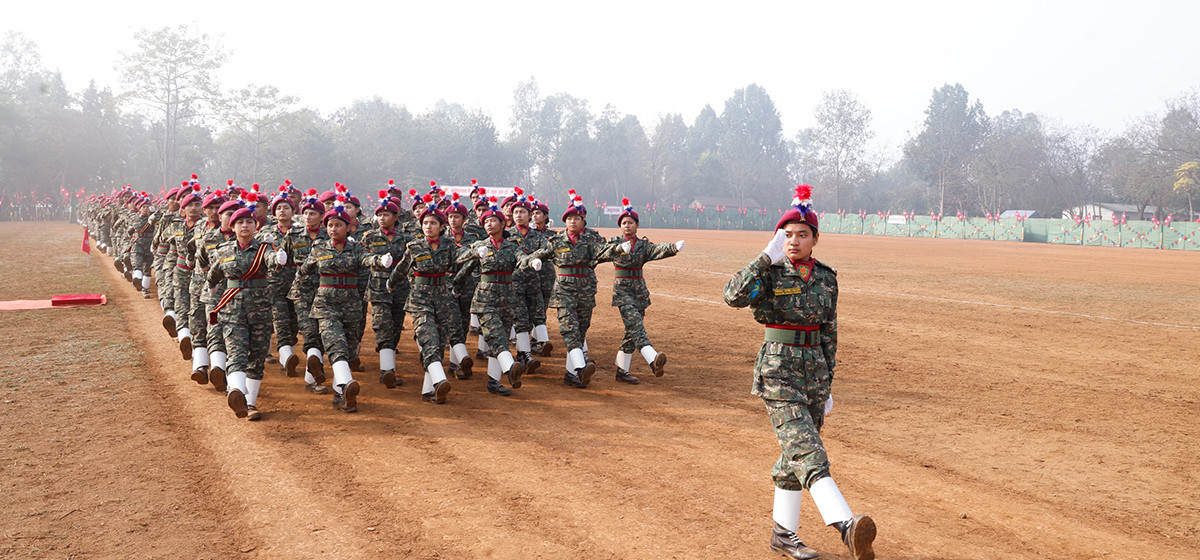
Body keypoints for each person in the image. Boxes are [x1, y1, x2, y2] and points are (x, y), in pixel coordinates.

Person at [722, 185, 875, 560]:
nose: (793, 241)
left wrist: (828, 383)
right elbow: (731, 295)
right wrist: (763, 257)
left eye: (801, 234)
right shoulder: (770, 274)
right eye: (786, 235)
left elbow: (829, 332)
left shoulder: (826, 278)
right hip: (777, 371)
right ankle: (844, 524)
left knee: (793, 457)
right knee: (808, 450)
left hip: (814, 374)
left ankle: (783, 536)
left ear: (815, 239)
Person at [291, 196, 393, 412]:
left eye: (338, 225)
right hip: (325, 305)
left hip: (351, 305)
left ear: (348, 227)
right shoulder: (319, 248)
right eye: (330, 225)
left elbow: (367, 259)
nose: (333, 229)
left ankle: (340, 394)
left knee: (348, 350)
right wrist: (297, 280)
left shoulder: (356, 249)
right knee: (336, 345)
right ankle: (346, 385)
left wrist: (380, 261)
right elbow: (305, 268)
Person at [528, 190, 623, 388]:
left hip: (586, 291)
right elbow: (538, 254)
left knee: (580, 330)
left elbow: (603, 251)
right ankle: (580, 367)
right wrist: (533, 261)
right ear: (565, 221)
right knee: (569, 329)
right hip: (564, 291)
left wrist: (618, 248)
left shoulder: (591, 240)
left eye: (576, 218)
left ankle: (571, 374)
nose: (572, 221)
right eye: (569, 218)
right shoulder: (556, 241)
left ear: (582, 221)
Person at [453, 197, 541, 396]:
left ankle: (494, 381)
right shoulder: (480, 246)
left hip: (508, 299)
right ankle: (510, 368)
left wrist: (532, 261)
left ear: (503, 223)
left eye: (493, 220)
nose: (488, 224)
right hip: (485, 299)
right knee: (497, 335)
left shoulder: (511, 247)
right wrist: (456, 286)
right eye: (485, 221)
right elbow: (464, 268)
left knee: (497, 340)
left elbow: (522, 258)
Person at [386, 195, 469, 403]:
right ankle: (440, 380)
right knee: (429, 338)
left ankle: (429, 390)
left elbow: (462, 255)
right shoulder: (414, 247)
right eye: (425, 223)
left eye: (433, 223)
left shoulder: (449, 245)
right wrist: (391, 283)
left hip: (442, 298)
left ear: (442, 227)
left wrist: (476, 252)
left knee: (439, 341)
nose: (428, 226)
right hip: (420, 299)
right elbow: (401, 269)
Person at [207, 194, 273, 420]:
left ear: (256, 226)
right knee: (236, 351)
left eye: (249, 222)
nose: (245, 226)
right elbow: (214, 273)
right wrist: (211, 287)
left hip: (261, 309)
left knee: (258, 353)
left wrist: (280, 258)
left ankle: (250, 403)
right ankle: (236, 390)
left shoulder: (265, 249)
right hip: (232, 310)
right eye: (240, 222)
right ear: (232, 227)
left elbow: (273, 261)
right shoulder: (223, 250)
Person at [608, 198, 685, 384]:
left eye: (630, 222)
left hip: (639, 291)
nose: (627, 226)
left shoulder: (642, 245)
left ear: (637, 225)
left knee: (631, 331)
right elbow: (603, 252)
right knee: (636, 326)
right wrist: (617, 249)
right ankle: (652, 359)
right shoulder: (614, 243)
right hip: (623, 290)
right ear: (620, 226)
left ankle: (622, 371)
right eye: (624, 223)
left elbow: (657, 249)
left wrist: (673, 247)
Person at [361, 190, 413, 389]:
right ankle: (387, 370)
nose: (382, 218)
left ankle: (388, 360)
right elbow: (361, 257)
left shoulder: (406, 237)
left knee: (396, 325)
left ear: (396, 216)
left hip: (400, 286)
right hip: (378, 286)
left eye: (386, 215)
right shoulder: (370, 236)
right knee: (382, 325)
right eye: (379, 215)